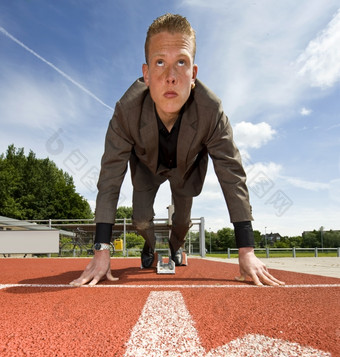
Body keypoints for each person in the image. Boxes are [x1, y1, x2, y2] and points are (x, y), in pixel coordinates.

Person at [71, 13, 284, 287]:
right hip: (147, 170)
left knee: (182, 223)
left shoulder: (211, 110)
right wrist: (101, 250)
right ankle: (149, 249)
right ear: (146, 74)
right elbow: (110, 177)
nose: (170, 77)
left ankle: (174, 249)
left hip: (186, 171)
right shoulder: (126, 111)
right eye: (160, 62)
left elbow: (231, 173)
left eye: (180, 62)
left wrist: (247, 250)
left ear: (193, 74)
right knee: (140, 221)